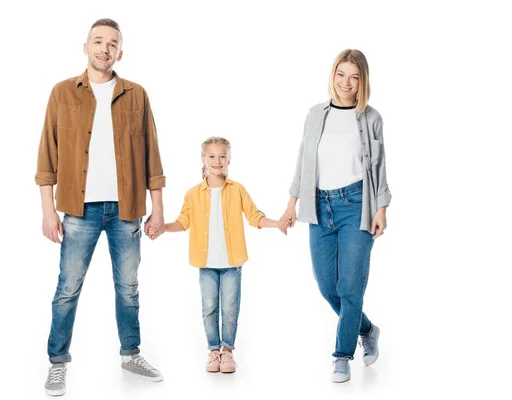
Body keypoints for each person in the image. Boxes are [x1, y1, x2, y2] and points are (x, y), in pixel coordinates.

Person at [35, 18, 165, 396]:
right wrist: (48, 210)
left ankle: (130, 354)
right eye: (98, 41)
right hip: (78, 210)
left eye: (112, 44)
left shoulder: (136, 95)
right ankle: (57, 362)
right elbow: (47, 155)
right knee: (68, 288)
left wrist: (157, 209)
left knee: (129, 288)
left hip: (127, 210)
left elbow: (151, 156)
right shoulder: (62, 93)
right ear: (86, 47)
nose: (104, 48)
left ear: (119, 53)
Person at [281, 49, 391, 383]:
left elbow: (379, 165)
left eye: (354, 77)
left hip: (357, 206)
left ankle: (342, 355)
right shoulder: (316, 114)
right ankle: (368, 329)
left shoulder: (371, 118)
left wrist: (382, 208)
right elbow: (304, 158)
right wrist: (291, 203)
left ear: (362, 82)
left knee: (350, 286)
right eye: (341, 74)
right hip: (319, 206)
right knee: (328, 285)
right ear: (333, 76)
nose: (346, 82)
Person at [148, 136, 286, 373]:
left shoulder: (237, 189)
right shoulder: (193, 193)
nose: (217, 160)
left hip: (232, 263)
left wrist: (278, 223)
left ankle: (228, 352)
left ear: (229, 159)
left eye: (222, 155)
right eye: (212, 156)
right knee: (209, 307)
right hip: (206, 263)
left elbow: (254, 217)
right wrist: (161, 228)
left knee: (230, 309)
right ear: (203, 159)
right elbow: (183, 222)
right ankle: (213, 351)